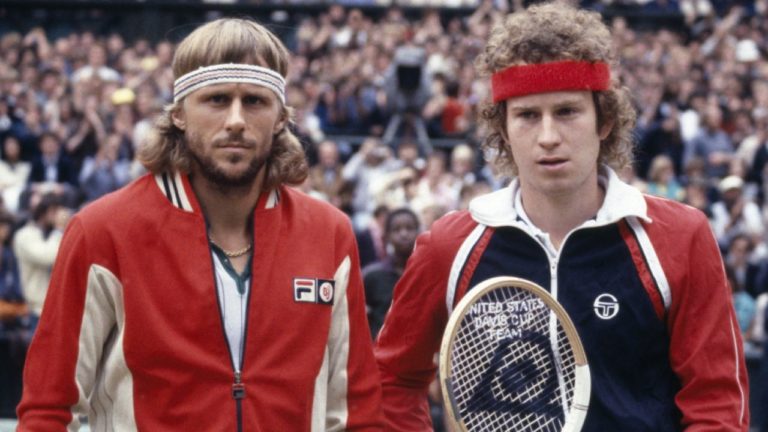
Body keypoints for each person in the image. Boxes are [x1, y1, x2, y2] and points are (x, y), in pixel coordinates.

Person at [375, 3, 749, 431]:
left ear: (604, 121)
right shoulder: (449, 246)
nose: (548, 136)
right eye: (528, 116)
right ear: (503, 130)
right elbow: (391, 380)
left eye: (567, 111)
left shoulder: (680, 237)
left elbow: (717, 402)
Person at [16, 18, 383, 431]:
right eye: (217, 99)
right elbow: (48, 408)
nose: (236, 120)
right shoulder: (104, 229)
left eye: (255, 101)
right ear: (178, 114)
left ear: (281, 118)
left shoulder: (328, 232)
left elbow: (357, 412)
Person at [363, 207, 421, 339]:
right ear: (387, 236)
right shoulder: (372, 276)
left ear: (419, 232)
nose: (404, 234)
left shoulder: (426, 273)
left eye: (409, 228)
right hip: (380, 347)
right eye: (397, 229)